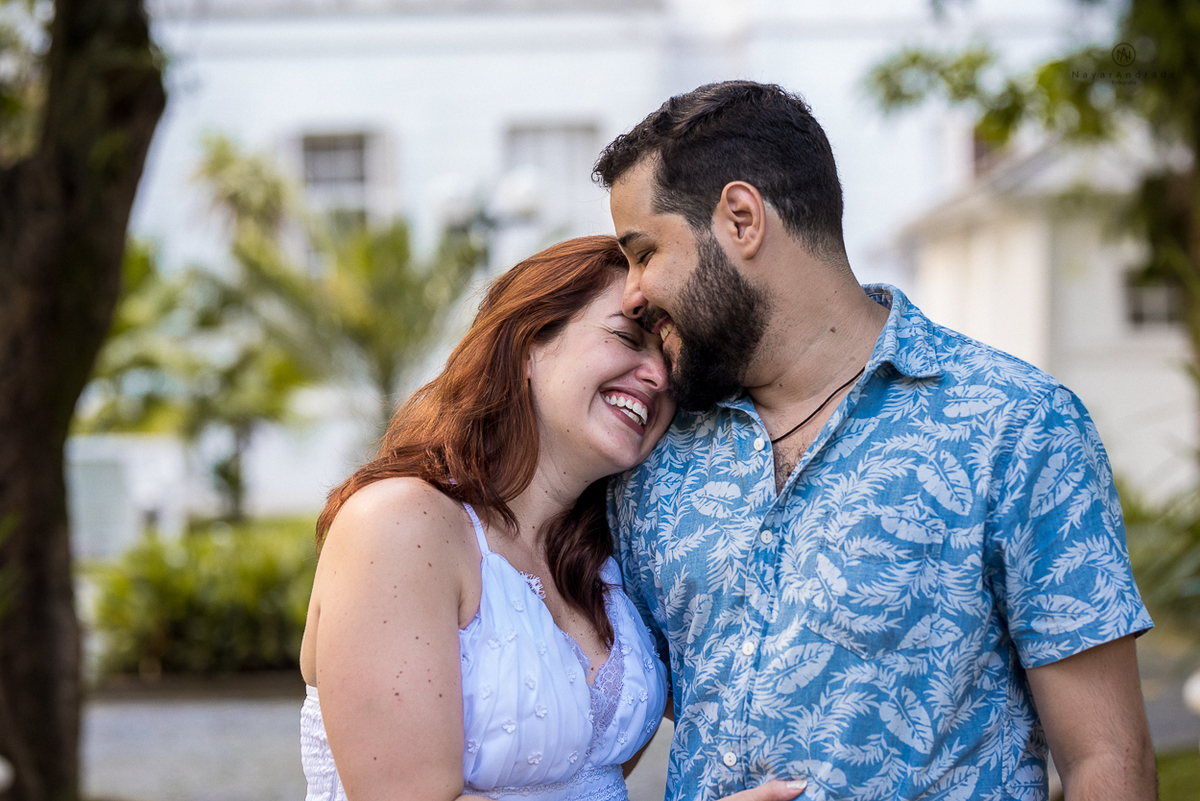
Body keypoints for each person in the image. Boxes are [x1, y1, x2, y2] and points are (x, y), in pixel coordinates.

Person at [596, 81, 1157, 801]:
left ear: (740, 219)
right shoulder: (655, 456)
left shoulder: (1014, 426)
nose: (632, 293)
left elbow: (1107, 760)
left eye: (644, 252)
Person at [296, 236, 807, 801]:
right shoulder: (399, 524)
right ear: (528, 345)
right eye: (625, 338)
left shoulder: (611, 560)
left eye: (669, 363)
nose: (659, 379)